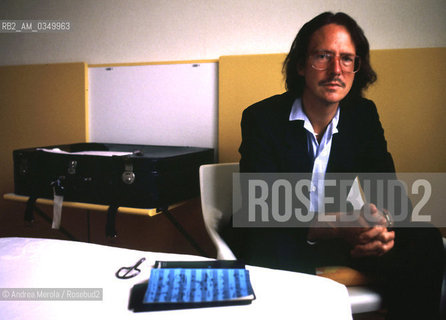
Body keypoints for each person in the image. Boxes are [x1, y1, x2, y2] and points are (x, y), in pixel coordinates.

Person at [224, 12, 444, 319]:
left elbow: (390, 194)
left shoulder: (363, 115)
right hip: (276, 234)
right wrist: (341, 224)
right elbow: (266, 206)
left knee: (425, 241)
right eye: (323, 56)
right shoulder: (262, 118)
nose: (335, 70)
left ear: (357, 68)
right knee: (269, 245)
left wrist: (380, 227)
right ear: (301, 65)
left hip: (338, 238)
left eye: (347, 59)